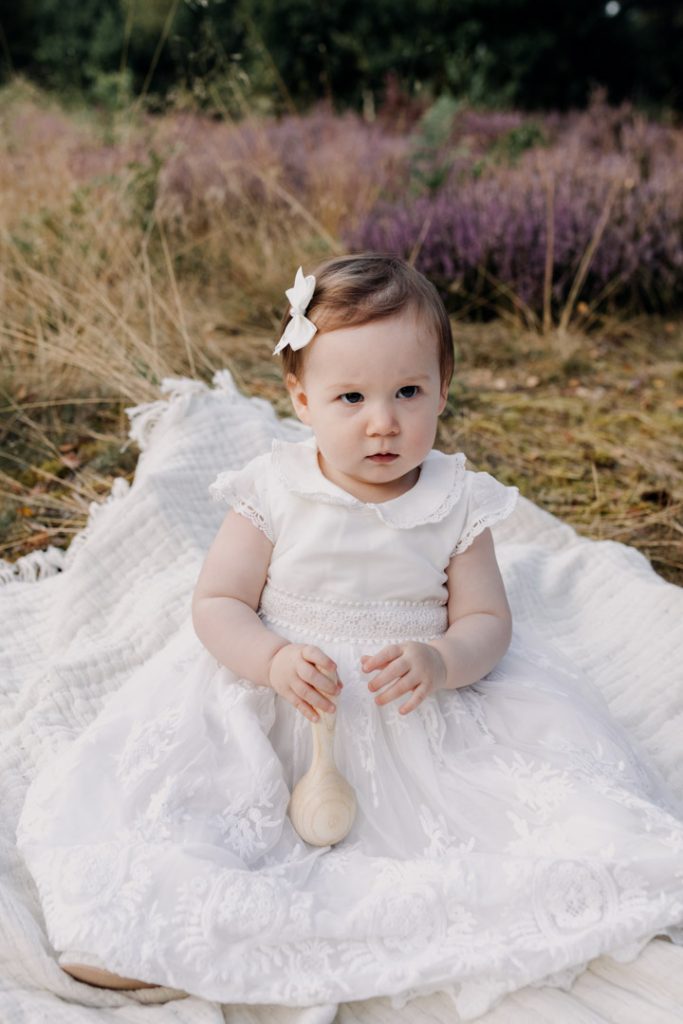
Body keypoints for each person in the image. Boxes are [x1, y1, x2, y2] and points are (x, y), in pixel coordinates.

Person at [15, 253, 683, 1017]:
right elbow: (218, 603)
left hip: (411, 706)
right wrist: (267, 658)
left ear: (442, 390)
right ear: (301, 399)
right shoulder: (273, 488)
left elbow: (488, 622)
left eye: (408, 392)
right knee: (184, 802)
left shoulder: (457, 503)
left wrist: (441, 660)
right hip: (283, 693)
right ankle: (167, 928)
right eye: (350, 397)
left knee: (534, 830)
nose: (383, 422)